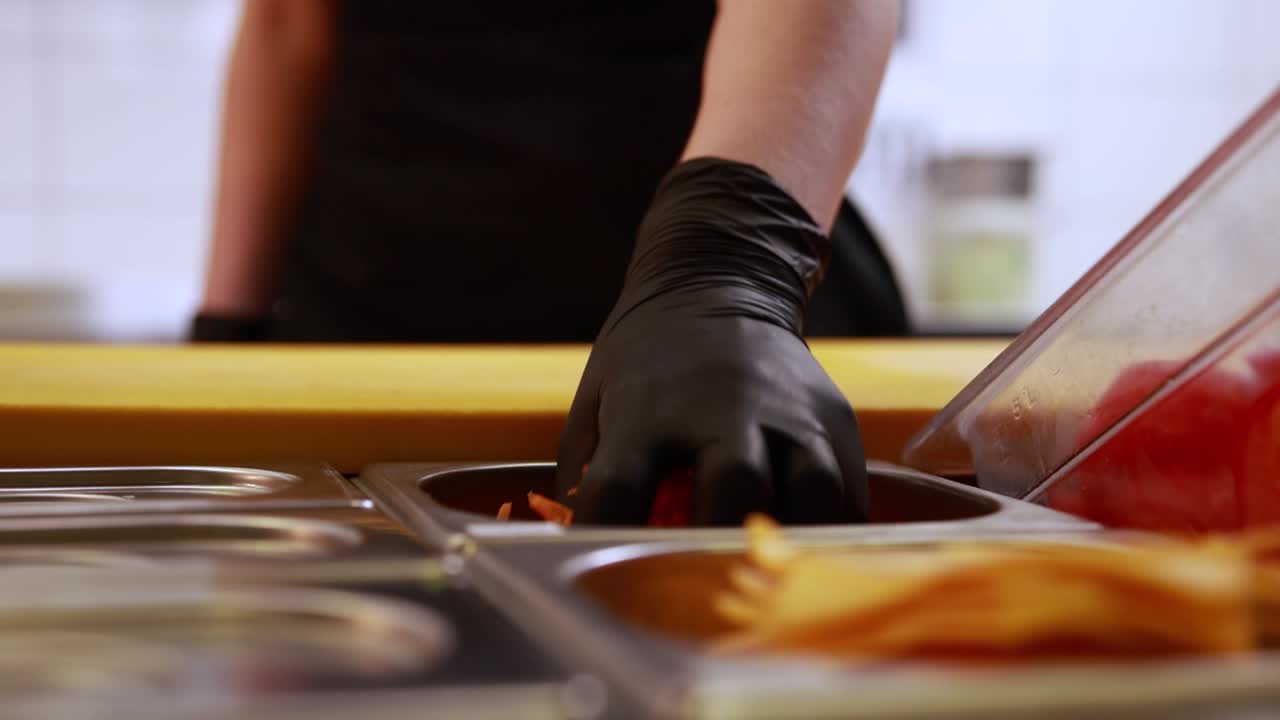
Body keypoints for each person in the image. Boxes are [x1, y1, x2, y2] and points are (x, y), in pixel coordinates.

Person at [193, 1, 907, 525]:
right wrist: (229, 324)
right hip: (367, 324)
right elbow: (286, 22)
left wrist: (726, 260)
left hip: (699, 321)